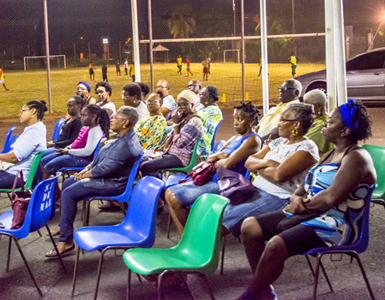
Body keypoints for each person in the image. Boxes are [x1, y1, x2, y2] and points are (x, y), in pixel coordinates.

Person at [236, 99, 375, 300]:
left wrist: (301, 205)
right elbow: (301, 188)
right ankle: (263, 288)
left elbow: (330, 197)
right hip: (308, 212)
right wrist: (295, 199)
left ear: (344, 131)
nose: (324, 124)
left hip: (335, 224)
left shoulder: (356, 158)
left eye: (330, 122)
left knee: (276, 244)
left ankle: (254, 293)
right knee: (250, 227)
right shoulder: (330, 154)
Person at [45, 106, 143, 257]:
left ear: (125, 122)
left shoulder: (125, 144)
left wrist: (84, 175)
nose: (111, 120)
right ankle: (64, 226)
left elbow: (105, 169)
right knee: (67, 183)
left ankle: (66, 241)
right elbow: (101, 159)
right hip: (106, 178)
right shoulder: (122, 137)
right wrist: (86, 169)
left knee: (69, 192)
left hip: (113, 184)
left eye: (115, 118)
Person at [222, 103, 320, 237]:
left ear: (296, 125)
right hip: (255, 190)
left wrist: (258, 169)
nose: (278, 123)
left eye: (283, 119)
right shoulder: (278, 142)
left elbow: (279, 175)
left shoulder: (307, 148)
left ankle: (203, 253)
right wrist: (268, 163)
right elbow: (249, 162)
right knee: (218, 210)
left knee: (224, 217)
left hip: (279, 197)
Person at [165, 101, 261, 235]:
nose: (235, 122)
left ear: (251, 121)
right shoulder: (236, 138)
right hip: (213, 178)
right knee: (169, 193)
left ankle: (191, 239)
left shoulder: (252, 140)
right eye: (234, 118)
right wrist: (222, 155)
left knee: (175, 198)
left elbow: (227, 164)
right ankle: (187, 239)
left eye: (240, 119)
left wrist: (222, 157)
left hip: (226, 184)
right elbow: (212, 157)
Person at [140, 90, 203, 178]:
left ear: (192, 105)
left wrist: (176, 124)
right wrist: (161, 147)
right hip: (172, 153)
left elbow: (179, 143)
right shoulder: (184, 118)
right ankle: (158, 182)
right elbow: (172, 138)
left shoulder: (195, 121)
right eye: (178, 104)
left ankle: (156, 190)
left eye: (184, 104)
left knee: (147, 166)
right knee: (142, 160)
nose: (180, 107)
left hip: (180, 157)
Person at [41, 105, 110, 179]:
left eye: (85, 115)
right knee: (44, 161)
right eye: (81, 115)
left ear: (93, 117)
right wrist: (67, 148)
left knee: (48, 167)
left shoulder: (95, 131)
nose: (82, 118)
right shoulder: (86, 128)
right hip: (75, 154)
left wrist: (69, 151)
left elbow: (87, 152)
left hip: (84, 159)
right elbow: (76, 142)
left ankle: (42, 187)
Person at [0, 100, 47, 188]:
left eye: (23, 110)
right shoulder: (35, 129)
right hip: (13, 173)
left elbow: (14, 157)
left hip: (16, 176)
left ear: (33, 111)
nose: (20, 114)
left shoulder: (34, 132)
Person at [194, 86, 223, 160]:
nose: (199, 96)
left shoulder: (213, 111)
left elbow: (191, 117)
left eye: (202, 94)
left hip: (200, 147)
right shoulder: (202, 106)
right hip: (195, 139)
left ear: (209, 98)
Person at [303, 89, 334, 156]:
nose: (304, 108)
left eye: (307, 105)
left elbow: (303, 143)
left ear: (318, 107)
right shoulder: (314, 120)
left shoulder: (321, 125)